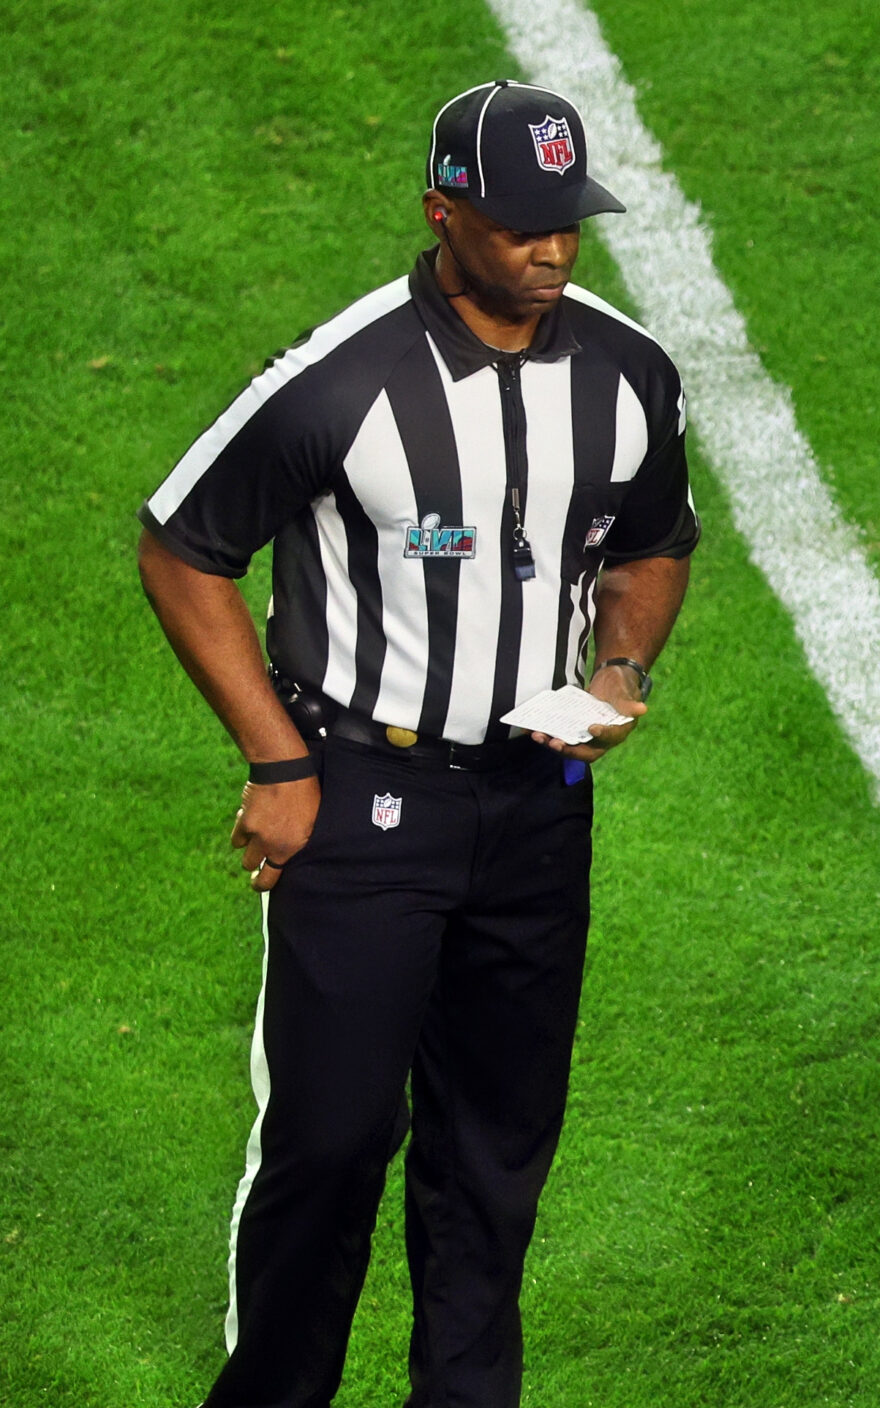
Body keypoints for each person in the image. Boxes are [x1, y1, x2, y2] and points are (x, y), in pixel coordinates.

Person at [135, 80, 696, 1407]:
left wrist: (620, 666)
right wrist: (278, 763)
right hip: (361, 799)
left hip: (537, 805)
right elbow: (181, 547)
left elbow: (656, 544)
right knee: (330, 1147)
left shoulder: (627, 372)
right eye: (517, 226)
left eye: (567, 222)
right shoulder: (342, 380)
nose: (550, 251)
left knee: (493, 1161)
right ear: (443, 212)